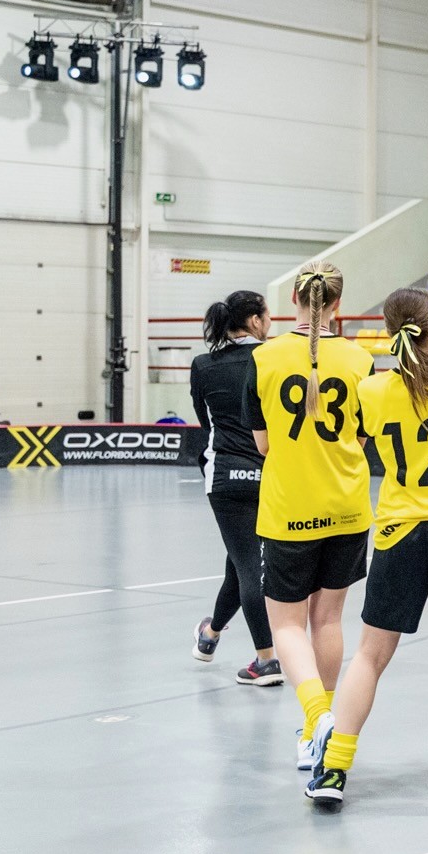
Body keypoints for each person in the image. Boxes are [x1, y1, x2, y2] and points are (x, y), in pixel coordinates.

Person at [307, 289, 428, 813]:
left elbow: (364, 442)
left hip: (399, 529)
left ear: (389, 333)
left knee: (370, 656)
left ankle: (334, 769)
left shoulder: (371, 390)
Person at [247, 265, 372, 777]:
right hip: (347, 507)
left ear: (294, 297)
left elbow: (263, 444)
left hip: (289, 509)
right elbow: (361, 437)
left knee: (286, 624)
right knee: (328, 620)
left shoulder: (264, 358)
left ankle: (317, 717)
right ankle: (313, 734)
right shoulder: (361, 359)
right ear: (338, 303)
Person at [190, 289, 280, 686]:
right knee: (243, 563)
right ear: (256, 321)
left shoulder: (203, 365)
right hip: (270, 473)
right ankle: (217, 638)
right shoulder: (273, 358)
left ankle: (259, 656)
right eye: (268, 316)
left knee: (244, 564)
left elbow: (204, 421)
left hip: (225, 476)